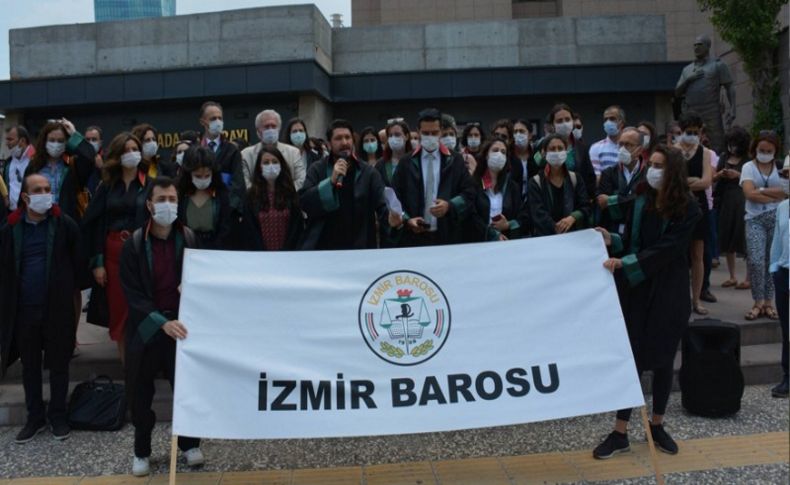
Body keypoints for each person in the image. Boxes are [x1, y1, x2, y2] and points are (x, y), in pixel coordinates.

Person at [593, 144, 702, 459]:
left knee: (664, 357)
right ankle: (620, 431)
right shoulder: (641, 197)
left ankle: (657, 424)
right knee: (633, 359)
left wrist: (625, 263)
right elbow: (631, 241)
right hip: (638, 289)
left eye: (659, 165)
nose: (652, 169)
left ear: (673, 173)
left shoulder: (689, 208)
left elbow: (668, 249)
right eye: (650, 163)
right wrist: (610, 240)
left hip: (669, 289)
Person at [120, 177, 203, 477]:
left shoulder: (190, 238)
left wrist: (192, 287)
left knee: (187, 389)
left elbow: (203, 280)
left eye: (172, 199)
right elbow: (133, 294)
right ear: (150, 205)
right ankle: (142, 451)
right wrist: (161, 322)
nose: (168, 205)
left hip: (181, 328)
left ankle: (190, 444)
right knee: (140, 395)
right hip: (146, 328)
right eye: (162, 199)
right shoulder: (133, 244)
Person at [0, 174, 87, 443]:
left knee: (59, 365)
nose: (45, 194)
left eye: (48, 189)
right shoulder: (9, 229)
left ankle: (58, 415)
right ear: (25, 197)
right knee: (30, 367)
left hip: (57, 309)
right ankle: (34, 417)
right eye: (38, 190)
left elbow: (78, 263)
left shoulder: (65, 225)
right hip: (24, 310)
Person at [82, 132, 150, 363]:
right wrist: (97, 262)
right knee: (120, 310)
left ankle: (144, 366)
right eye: (126, 150)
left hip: (141, 250)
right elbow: (94, 223)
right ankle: (127, 368)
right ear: (118, 156)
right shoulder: (107, 186)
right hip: (112, 251)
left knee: (141, 308)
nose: (132, 153)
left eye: (135, 148)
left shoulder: (149, 184)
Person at [299, 119, 393, 250]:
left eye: (348, 137)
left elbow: (383, 208)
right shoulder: (317, 169)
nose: (344, 142)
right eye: (338, 138)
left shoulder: (368, 172)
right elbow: (305, 203)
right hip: (324, 248)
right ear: (329, 144)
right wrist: (330, 182)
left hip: (360, 248)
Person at [390, 109, 476, 247]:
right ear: (418, 131)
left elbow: (469, 193)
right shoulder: (406, 162)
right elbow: (394, 197)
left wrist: (450, 206)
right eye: (425, 133)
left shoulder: (455, 160)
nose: (430, 137)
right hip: (415, 238)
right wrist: (407, 220)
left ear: (441, 131)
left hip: (448, 237)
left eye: (434, 133)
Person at [740, 131, 786, 321]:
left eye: (769, 150)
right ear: (755, 149)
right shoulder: (749, 167)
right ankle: (757, 301)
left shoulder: (782, 167)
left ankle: (769, 302)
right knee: (757, 260)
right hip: (755, 218)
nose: (765, 153)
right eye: (762, 150)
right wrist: (776, 193)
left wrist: (762, 190)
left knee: (772, 261)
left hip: (777, 219)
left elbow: (787, 192)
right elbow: (749, 194)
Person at [675, 111, 713, 315]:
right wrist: (691, 183)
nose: (691, 135)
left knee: (698, 254)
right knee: (678, 254)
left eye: (695, 132)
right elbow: (673, 182)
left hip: (699, 208)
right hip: (678, 208)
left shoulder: (705, 152)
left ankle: (696, 299)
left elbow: (706, 181)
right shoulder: (673, 151)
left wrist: (686, 183)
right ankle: (679, 298)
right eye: (688, 132)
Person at [25, 119, 95, 222]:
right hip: (38, 222)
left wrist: (74, 134)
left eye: (60, 141)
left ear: (67, 142)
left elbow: (89, 156)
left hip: (65, 224)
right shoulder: (34, 166)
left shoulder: (72, 166)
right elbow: (24, 196)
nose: (55, 144)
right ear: (45, 141)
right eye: (52, 140)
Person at [675, 34, 735, 154]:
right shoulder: (687, 70)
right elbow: (677, 92)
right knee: (690, 141)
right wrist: (688, 79)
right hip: (691, 111)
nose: (696, 47)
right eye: (695, 45)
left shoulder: (718, 65)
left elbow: (729, 87)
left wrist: (733, 108)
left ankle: (718, 168)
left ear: (708, 46)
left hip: (711, 110)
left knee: (717, 141)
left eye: (700, 45)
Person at [238, 146, 304, 251]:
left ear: (281, 165)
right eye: (266, 163)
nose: (271, 165)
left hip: (288, 255)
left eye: (274, 161)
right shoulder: (251, 196)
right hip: (260, 257)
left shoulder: (290, 193)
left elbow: (297, 229)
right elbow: (249, 231)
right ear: (259, 167)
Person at [528, 134, 591, 237]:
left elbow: (586, 206)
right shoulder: (535, 182)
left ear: (566, 151)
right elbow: (538, 213)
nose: (557, 152)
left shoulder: (575, 178)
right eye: (552, 149)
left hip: (573, 236)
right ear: (544, 153)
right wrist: (557, 228)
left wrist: (572, 218)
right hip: (545, 238)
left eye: (560, 148)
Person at [467, 139, 526, 242]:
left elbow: (522, 217)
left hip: (506, 243)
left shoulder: (512, 187)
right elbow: (471, 216)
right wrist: (491, 234)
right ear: (486, 155)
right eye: (495, 150)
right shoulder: (474, 184)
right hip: (478, 243)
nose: (499, 154)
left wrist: (508, 225)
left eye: (503, 152)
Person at [715, 126, 750, 289]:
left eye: (735, 143)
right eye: (730, 142)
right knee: (727, 235)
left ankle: (749, 277)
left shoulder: (748, 160)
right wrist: (721, 174)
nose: (732, 146)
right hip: (726, 200)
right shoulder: (723, 157)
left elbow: (753, 181)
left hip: (743, 199)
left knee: (744, 236)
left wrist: (739, 175)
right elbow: (713, 176)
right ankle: (732, 276)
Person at [177, 145, 231, 249]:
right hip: (186, 247)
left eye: (207, 176)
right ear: (189, 174)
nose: (202, 180)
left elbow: (225, 227)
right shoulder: (181, 194)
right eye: (197, 176)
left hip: (214, 249)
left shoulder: (221, 194)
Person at [596, 128, 647, 237]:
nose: (623, 149)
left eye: (628, 145)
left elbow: (646, 205)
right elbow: (603, 206)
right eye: (621, 144)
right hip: (613, 233)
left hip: (640, 231)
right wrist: (635, 198)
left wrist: (613, 200)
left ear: (640, 149)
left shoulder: (647, 174)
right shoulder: (608, 173)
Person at [198, 101, 245, 215]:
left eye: (220, 118)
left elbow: (238, 183)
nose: (218, 122)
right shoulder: (195, 150)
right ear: (202, 121)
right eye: (213, 118)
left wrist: (229, 207)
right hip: (201, 208)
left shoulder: (232, 150)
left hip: (226, 209)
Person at [242, 109, 305, 191]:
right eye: (266, 126)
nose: (270, 130)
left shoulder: (293, 152)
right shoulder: (246, 155)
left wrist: (286, 194)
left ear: (279, 129)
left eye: (274, 126)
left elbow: (301, 180)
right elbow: (245, 183)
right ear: (258, 131)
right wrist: (260, 196)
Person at [769, 156, 789, 397]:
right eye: (785, 175)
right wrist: (774, 268)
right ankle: (788, 375)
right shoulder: (783, 207)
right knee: (787, 328)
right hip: (784, 271)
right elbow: (777, 241)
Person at [547, 104, 595, 200]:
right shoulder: (543, 146)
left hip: (577, 201)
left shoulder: (582, 147)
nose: (564, 123)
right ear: (552, 124)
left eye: (567, 119)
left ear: (572, 121)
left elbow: (589, 178)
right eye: (559, 121)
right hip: (551, 200)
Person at [590, 105, 626, 184]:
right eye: (605, 119)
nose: (608, 122)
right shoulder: (595, 148)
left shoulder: (629, 146)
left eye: (612, 119)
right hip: (605, 193)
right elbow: (596, 178)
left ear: (622, 122)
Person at [2, 125, 33, 215]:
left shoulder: (35, 161)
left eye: (10, 139)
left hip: (29, 213)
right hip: (10, 213)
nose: (7, 143)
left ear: (22, 141)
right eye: (6, 139)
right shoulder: (8, 163)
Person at [376, 119, 412, 188]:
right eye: (390, 135)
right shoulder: (381, 164)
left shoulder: (414, 161)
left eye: (397, 135)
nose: (393, 138)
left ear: (406, 136)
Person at [510, 119, 538, 200]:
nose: (518, 134)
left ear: (530, 135)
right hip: (513, 203)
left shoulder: (536, 155)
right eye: (515, 132)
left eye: (521, 131)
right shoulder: (508, 156)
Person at [84, 125, 104, 196]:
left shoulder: (108, 158)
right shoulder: (78, 159)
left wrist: (102, 168)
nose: (90, 142)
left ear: (100, 142)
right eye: (87, 140)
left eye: (94, 139)